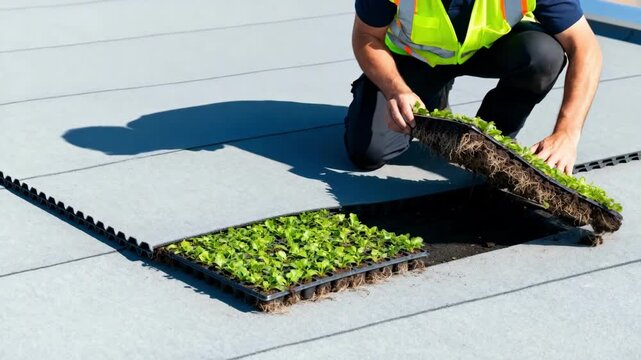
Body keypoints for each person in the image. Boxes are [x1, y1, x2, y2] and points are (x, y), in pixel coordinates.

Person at [344, 0, 602, 175]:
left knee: (544, 55)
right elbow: (366, 36)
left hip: (485, 49)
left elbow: (585, 47)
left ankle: (490, 140)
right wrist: (396, 89)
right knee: (368, 153)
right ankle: (431, 96)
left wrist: (567, 133)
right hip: (413, 61)